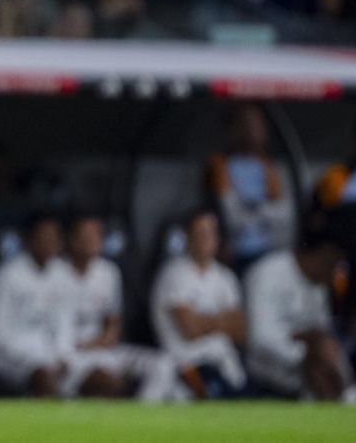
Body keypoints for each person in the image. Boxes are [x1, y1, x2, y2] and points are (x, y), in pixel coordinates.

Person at [62, 213, 178, 401]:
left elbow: (113, 323)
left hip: (104, 350)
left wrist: (102, 342)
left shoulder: (108, 272)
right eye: (87, 236)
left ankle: (141, 417)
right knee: (107, 383)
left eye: (98, 235)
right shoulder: (57, 274)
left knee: (163, 364)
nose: (94, 241)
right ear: (73, 240)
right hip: (73, 357)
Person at [244, 207, 356, 400]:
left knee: (328, 349)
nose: (340, 276)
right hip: (264, 383)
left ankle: (345, 397)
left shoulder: (319, 289)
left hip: (305, 386)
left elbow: (321, 336)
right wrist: (305, 353)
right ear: (328, 255)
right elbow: (260, 339)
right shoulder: (269, 273)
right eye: (339, 266)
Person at [151, 208, 247, 398]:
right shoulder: (174, 273)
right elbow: (190, 330)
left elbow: (240, 332)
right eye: (200, 233)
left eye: (210, 233)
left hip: (223, 360)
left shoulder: (225, 277)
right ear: (188, 237)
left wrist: (204, 321)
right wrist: (222, 322)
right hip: (184, 361)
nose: (206, 239)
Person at [0, 213, 74, 397]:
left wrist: (63, 355)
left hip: (51, 356)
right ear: (30, 240)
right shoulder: (5, 276)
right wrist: (35, 357)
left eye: (54, 238)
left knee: (100, 379)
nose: (49, 243)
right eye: (44, 238)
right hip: (8, 359)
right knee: (43, 377)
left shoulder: (62, 274)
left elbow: (65, 322)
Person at [206, 104, 293, 275]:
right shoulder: (220, 164)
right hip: (232, 252)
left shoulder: (268, 167)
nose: (253, 130)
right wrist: (260, 211)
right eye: (246, 124)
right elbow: (231, 216)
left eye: (257, 124)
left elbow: (282, 215)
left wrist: (253, 208)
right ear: (233, 129)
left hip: (266, 250)